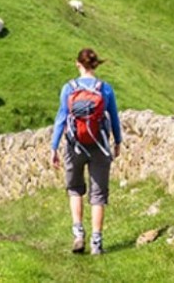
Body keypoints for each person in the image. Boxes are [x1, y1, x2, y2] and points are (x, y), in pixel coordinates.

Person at [50, 48, 122, 255]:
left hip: (74, 146)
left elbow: (61, 119)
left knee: (75, 190)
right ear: (96, 64)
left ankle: (78, 234)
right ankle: (96, 243)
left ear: (77, 64)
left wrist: (54, 147)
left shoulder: (69, 89)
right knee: (98, 195)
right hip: (99, 146)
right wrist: (117, 141)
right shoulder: (105, 89)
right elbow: (114, 117)